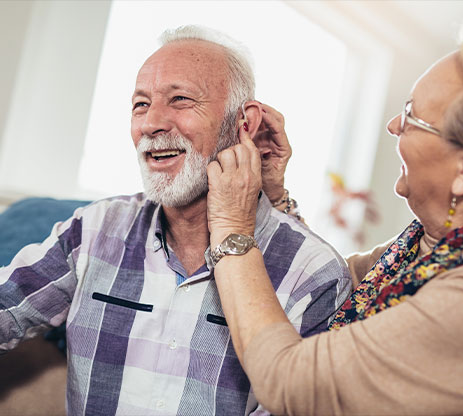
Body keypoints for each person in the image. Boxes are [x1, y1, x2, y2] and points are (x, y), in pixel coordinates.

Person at [0, 26, 351, 415]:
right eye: (140, 105)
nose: (151, 123)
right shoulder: (94, 228)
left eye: (180, 99)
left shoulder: (315, 274)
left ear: (245, 123)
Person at [206, 10, 463, 415]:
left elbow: (294, 383)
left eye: (411, 116)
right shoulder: (425, 251)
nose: (393, 125)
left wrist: (231, 227)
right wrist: (275, 195)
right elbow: (327, 286)